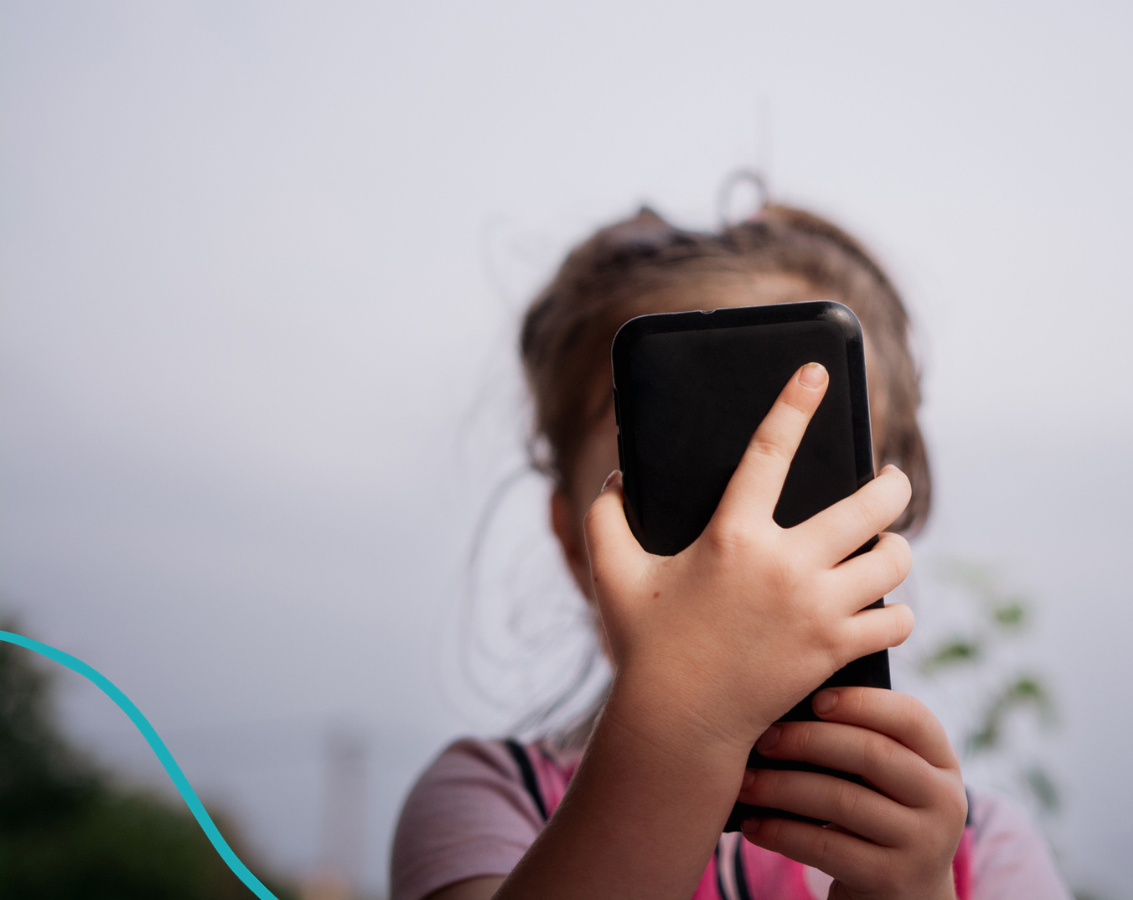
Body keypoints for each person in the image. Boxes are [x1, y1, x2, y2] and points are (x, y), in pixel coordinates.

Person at [390, 200, 1070, 900]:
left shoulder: (980, 850)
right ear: (574, 542)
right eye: (688, 496)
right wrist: (685, 719)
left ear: (877, 527)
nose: (739, 554)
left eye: (794, 491)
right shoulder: (493, 800)